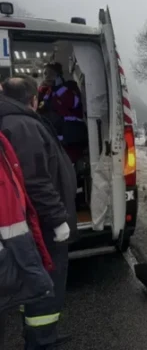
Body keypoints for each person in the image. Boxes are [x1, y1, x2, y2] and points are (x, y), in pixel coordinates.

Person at [0, 74, 76, 349]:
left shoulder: (11, 119)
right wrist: (58, 220)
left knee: (28, 279)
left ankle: (40, 336)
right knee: (46, 281)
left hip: (24, 221)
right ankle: (43, 341)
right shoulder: (22, 124)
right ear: (34, 99)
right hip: (39, 223)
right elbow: (35, 180)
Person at [37, 62, 84, 164]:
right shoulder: (46, 92)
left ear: (59, 75)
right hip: (53, 138)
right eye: (45, 74)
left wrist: (58, 87)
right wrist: (40, 92)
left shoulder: (70, 88)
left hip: (70, 139)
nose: (47, 76)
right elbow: (40, 108)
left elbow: (74, 103)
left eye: (51, 73)